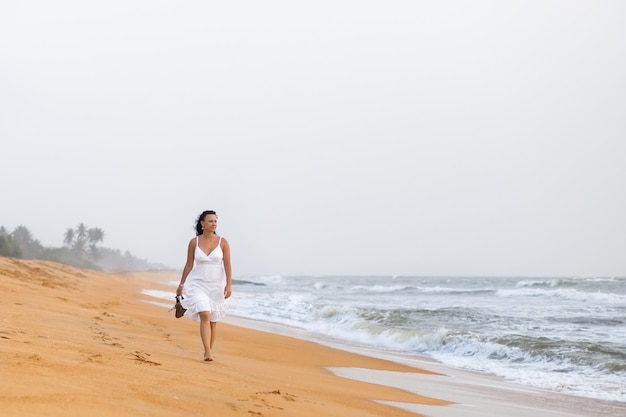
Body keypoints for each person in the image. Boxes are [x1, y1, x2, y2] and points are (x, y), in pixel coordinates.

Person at [176, 210, 232, 361]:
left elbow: (227, 265)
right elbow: (188, 265)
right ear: (202, 223)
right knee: (205, 314)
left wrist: (229, 284)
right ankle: (207, 351)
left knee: (213, 321)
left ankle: (209, 351)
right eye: (210, 221)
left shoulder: (223, 242)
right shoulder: (194, 242)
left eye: (215, 221)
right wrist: (181, 285)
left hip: (216, 285)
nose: (214, 224)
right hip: (198, 284)